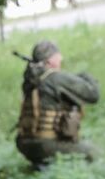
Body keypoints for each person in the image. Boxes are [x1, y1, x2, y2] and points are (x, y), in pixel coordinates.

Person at [14, 39, 100, 168]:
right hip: (45, 145)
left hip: (24, 144)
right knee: (94, 152)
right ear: (50, 60)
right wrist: (85, 76)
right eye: (58, 56)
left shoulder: (29, 81)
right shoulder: (55, 78)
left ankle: (41, 166)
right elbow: (93, 95)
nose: (61, 59)